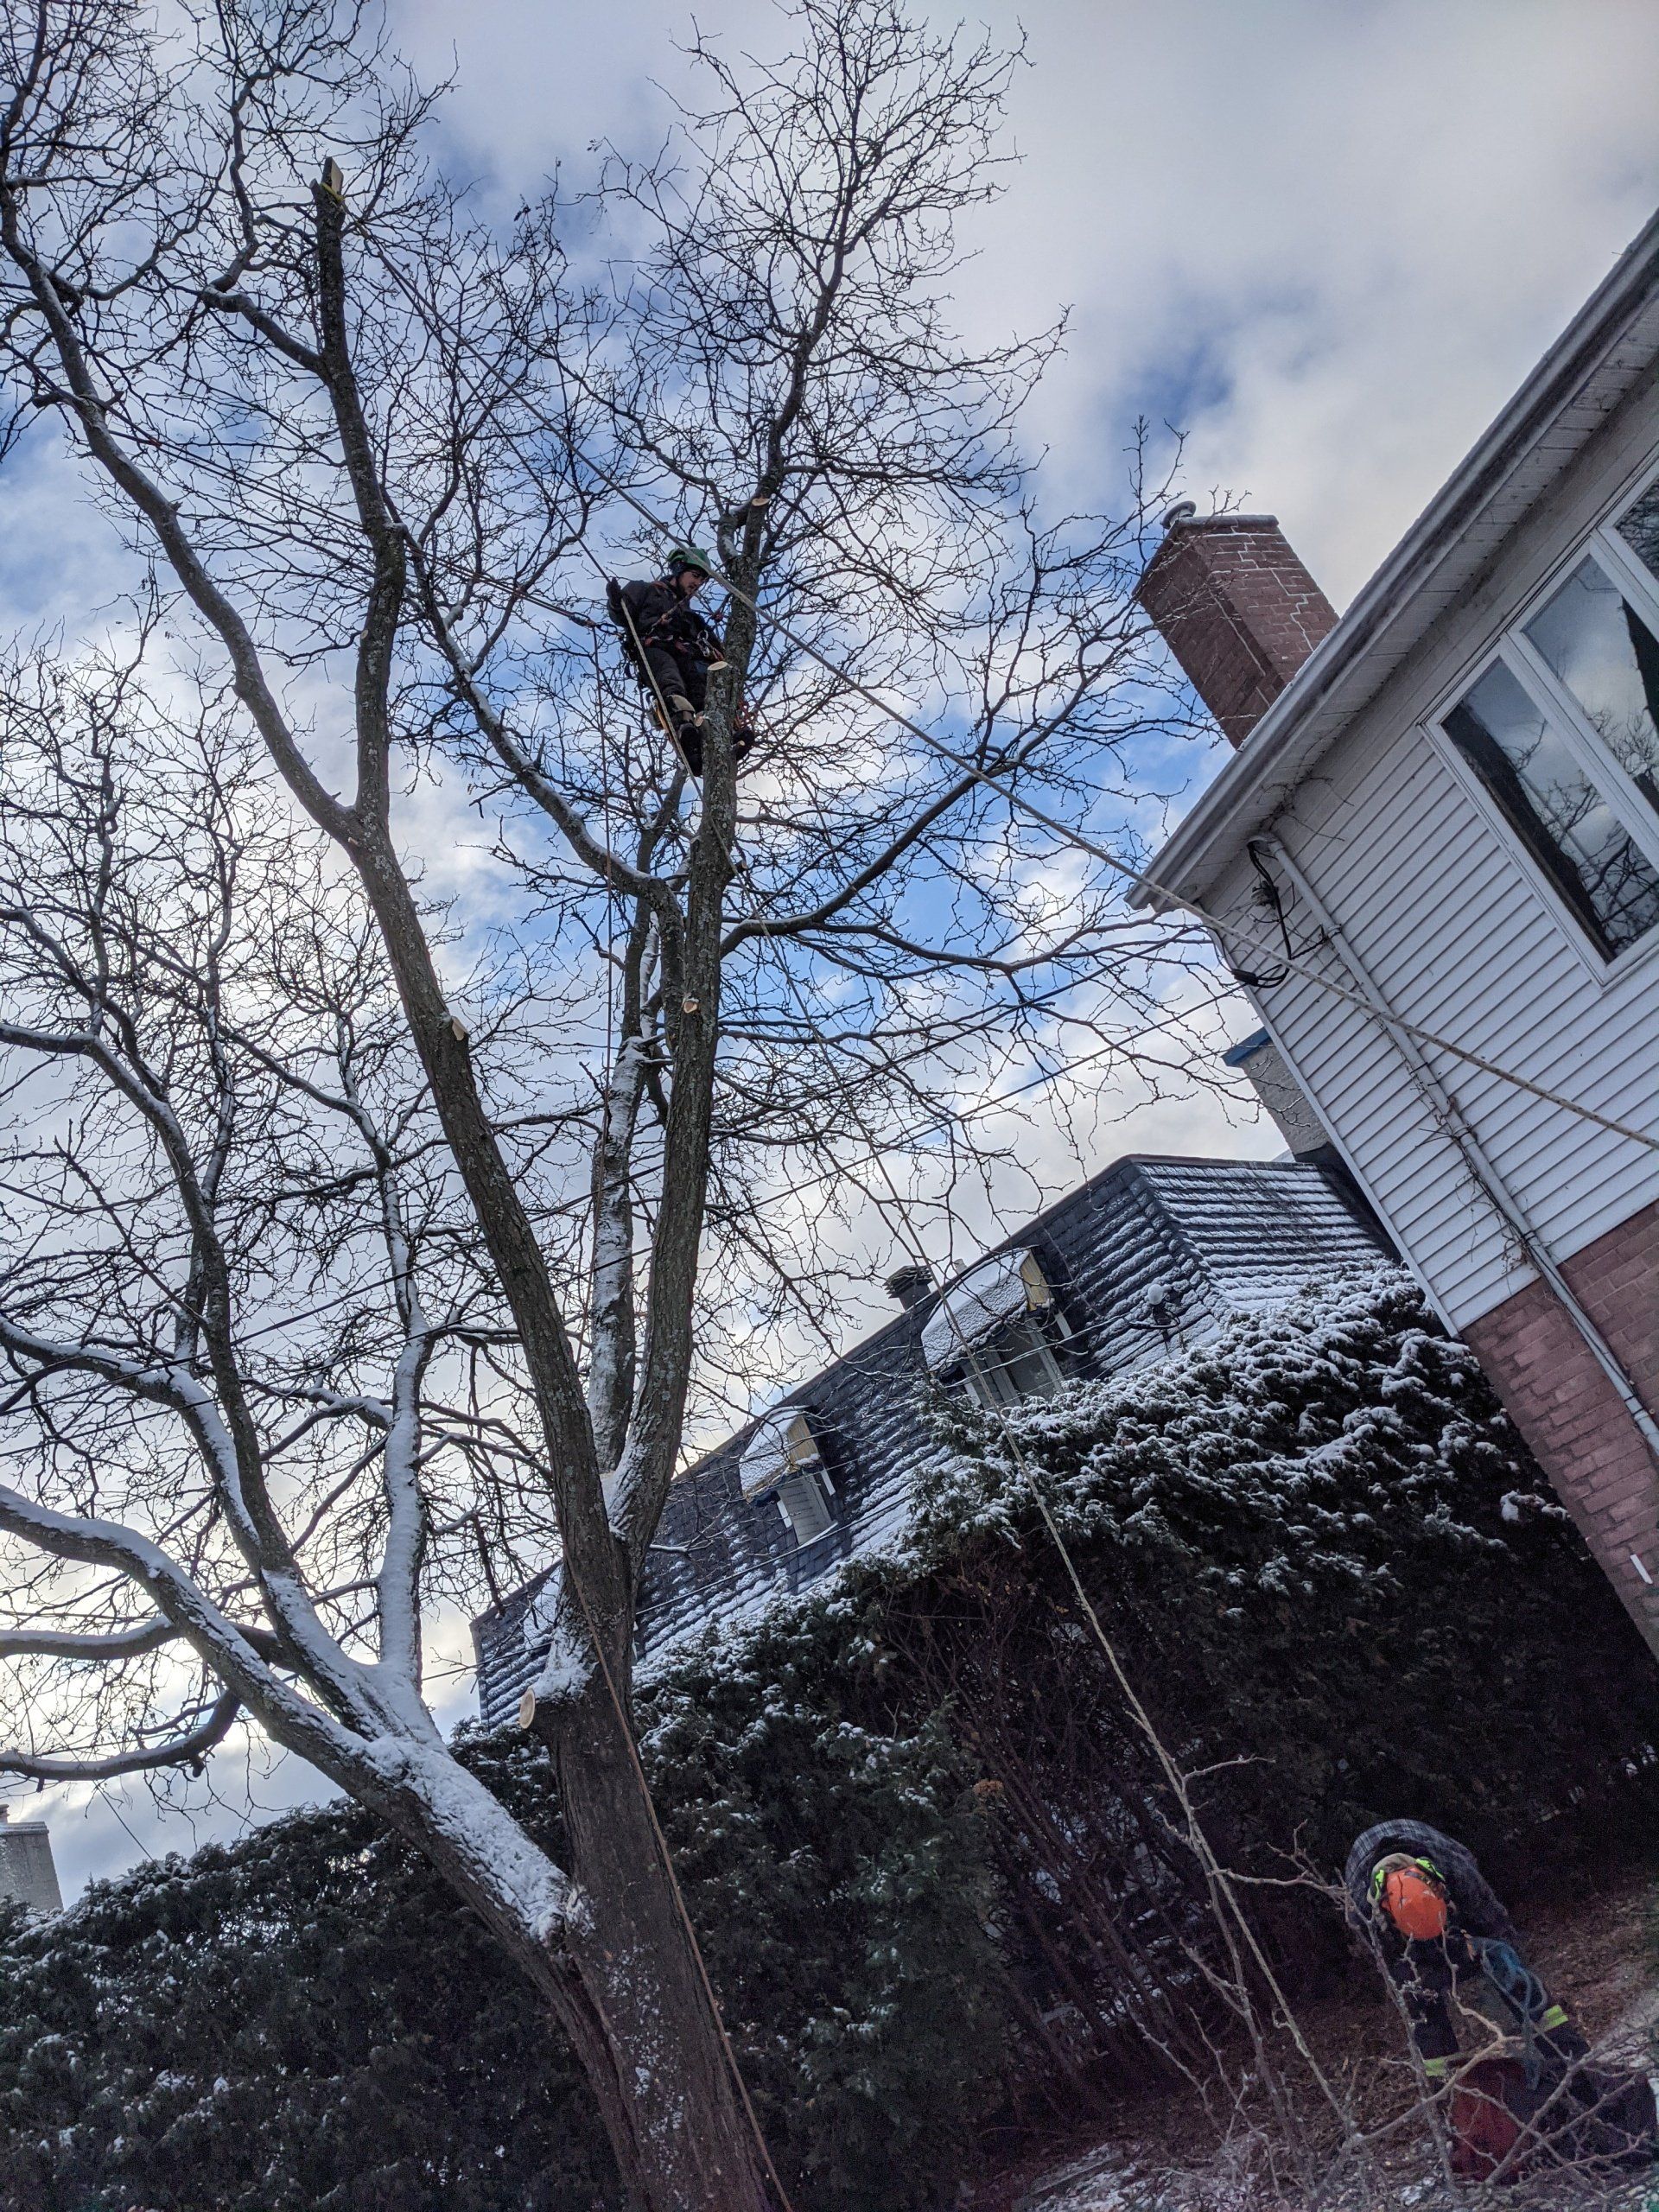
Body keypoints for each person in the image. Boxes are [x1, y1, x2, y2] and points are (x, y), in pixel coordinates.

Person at [1344, 1818, 1654, 2178]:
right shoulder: (1364, 1915)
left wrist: (1506, 1971)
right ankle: (1459, 2119)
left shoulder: (1457, 1873)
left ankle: (1578, 2078)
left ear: (1439, 1889)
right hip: (1403, 1945)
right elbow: (1403, 1986)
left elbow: (1497, 1929)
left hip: (1458, 1907)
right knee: (1427, 2022)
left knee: (1522, 1992)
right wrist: (1430, 1976)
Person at [610, 547, 752, 778]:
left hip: (689, 657)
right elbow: (622, 614)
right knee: (671, 683)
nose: (698, 583)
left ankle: (723, 737)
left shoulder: (692, 617)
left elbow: (717, 649)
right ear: (679, 570)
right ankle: (686, 735)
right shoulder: (646, 590)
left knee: (703, 688)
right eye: (695, 575)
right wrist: (616, 602)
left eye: (702, 579)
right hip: (657, 649)